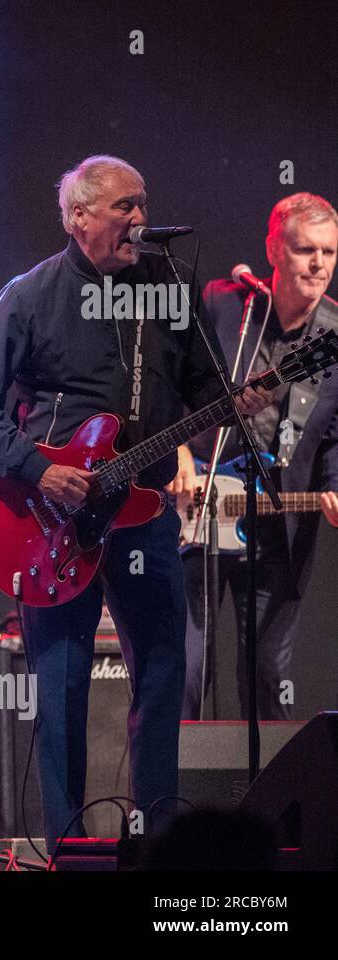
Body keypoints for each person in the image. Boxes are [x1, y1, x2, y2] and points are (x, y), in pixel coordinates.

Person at [0, 155, 271, 846]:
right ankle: (68, 847)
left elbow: (201, 397)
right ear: (78, 217)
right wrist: (37, 469)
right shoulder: (30, 295)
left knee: (163, 674)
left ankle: (159, 840)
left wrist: (238, 402)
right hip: (52, 525)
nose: (139, 219)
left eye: (143, 204)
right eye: (124, 206)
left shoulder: (165, 289)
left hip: (143, 513)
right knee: (60, 692)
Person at [171, 192, 338, 720]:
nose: (318, 265)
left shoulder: (335, 335)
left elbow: (336, 434)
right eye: (304, 249)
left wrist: (335, 482)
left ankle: (272, 802)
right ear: (273, 249)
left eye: (329, 253)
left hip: (276, 520)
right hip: (195, 505)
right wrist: (176, 454)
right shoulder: (226, 304)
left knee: (268, 672)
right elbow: (168, 383)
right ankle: (173, 800)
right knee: (188, 668)